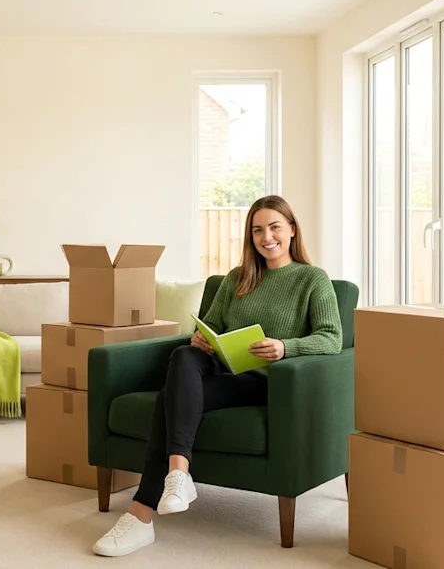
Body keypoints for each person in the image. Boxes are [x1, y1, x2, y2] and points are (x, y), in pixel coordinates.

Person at [91, 194, 343, 557]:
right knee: (183, 353)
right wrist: (202, 338)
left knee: (167, 400)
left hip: (265, 383)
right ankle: (177, 475)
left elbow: (331, 337)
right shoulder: (238, 278)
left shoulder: (311, 279)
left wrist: (285, 348)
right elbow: (212, 325)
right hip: (223, 372)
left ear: (291, 230)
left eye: (274, 227)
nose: (266, 236)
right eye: (257, 230)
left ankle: (142, 512)